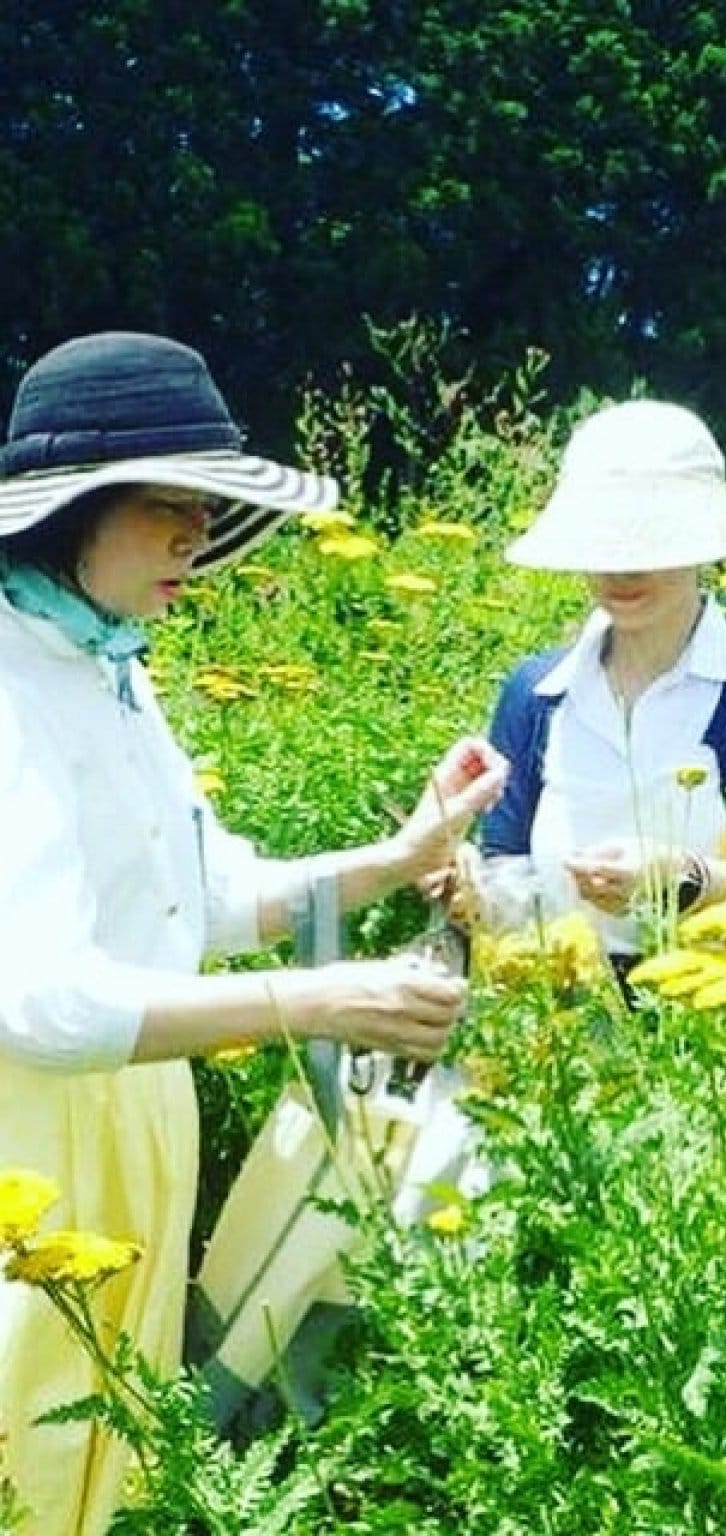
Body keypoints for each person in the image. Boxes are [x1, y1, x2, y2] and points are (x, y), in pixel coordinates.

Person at [0, 332, 507, 1534]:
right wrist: (319, 1001)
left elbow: (204, 899)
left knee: (104, 1447)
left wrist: (402, 853)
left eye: (208, 509)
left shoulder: (112, 666)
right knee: (27, 1436)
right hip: (31, 1128)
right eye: (168, 508)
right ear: (71, 513)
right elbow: (44, 1004)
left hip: (138, 1105)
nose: (196, 539)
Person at [480, 398, 726, 983]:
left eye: (650, 542)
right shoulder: (535, 692)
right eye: (603, 544)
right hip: (566, 1027)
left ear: (700, 546)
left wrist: (680, 879)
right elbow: (506, 871)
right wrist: (463, 884)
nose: (622, 571)